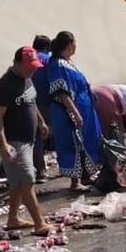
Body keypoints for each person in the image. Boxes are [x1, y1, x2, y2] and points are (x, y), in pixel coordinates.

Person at [0, 46, 53, 235]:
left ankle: (13, 219)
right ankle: (39, 223)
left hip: (29, 139)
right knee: (27, 179)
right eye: (29, 66)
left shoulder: (27, 79)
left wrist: (41, 122)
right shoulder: (4, 85)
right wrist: (3, 145)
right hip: (14, 141)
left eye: (34, 66)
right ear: (17, 63)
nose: (33, 70)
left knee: (18, 184)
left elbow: (31, 102)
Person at [44, 31, 102, 192]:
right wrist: (74, 112)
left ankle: (88, 175)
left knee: (85, 143)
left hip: (84, 109)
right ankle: (75, 183)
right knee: (72, 145)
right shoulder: (58, 65)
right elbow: (62, 92)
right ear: (69, 45)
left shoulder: (68, 63)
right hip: (68, 112)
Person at [31, 34, 53, 181]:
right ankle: (71, 170)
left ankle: (39, 171)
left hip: (31, 103)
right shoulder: (48, 59)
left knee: (36, 139)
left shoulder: (29, 59)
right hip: (47, 102)